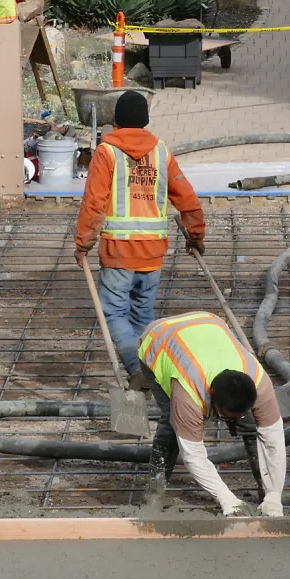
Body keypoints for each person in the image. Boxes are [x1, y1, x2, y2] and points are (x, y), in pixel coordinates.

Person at [75, 90, 205, 376]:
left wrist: (83, 243)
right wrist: (195, 235)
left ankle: (136, 370)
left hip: (119, 252)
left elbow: (94, 203)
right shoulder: (161, 152)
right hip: (152, 254)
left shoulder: (106, 152)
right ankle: (151, 371)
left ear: (116, 122)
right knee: (143, 317)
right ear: (145, 121)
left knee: (114, 314)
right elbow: (187, 198)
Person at [137, 311, 286, 517]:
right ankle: (153, 495)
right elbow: (193, 455)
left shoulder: (261, 383)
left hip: (207, 323)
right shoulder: (188, 395)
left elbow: (273, 440)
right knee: (172, 425)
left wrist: (274, 495)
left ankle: (265, 492)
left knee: (250, 425)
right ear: (212, 399)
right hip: (158, 338)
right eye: (227, 417)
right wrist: (225, 497)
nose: (234, 421)